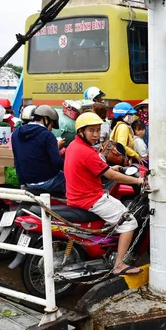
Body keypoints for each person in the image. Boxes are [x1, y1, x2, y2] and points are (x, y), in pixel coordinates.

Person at [64, 112, 144, 275]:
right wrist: (139, 181)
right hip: (91, 198)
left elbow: (97, 168)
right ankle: (119, 265)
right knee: (129, 222)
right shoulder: (85, 151)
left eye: (98, 130)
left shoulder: (74, 146)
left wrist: (109, 168)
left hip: (76, 196)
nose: (96, 135)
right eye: (91, 131)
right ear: (81, 132)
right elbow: (112, 176)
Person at [11, 105, 66, 194]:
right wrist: (71, 167)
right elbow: (57, 162)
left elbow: (17, 162)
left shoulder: (15, 134)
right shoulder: (47, 135)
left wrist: (23, 183)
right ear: (45, 119)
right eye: (52, 124)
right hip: (48, 181)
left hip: (28, 183)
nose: (51, 128)